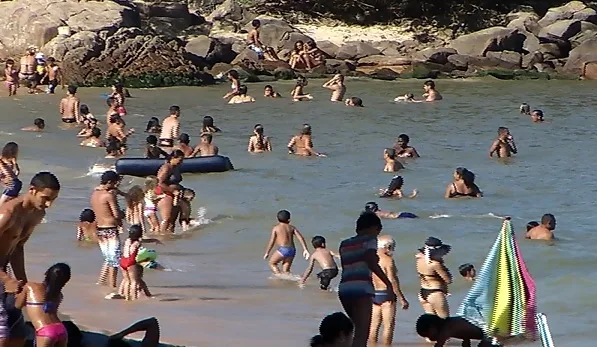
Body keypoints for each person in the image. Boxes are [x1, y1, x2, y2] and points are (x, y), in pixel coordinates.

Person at [0, 171, 61, 347]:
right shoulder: (8, 213)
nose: (49, 204)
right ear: (32, 190)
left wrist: (21, 280)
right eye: (46, 198)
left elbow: (18, 247)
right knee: (3, 332)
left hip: (4, 272)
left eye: (53, 200)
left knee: (18, 332)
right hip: (2, 276)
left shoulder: (37, 214)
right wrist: (6, 279)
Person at [338, 212, 395, 347]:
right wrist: (388, 284)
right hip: (361, 289)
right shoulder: (370, 240)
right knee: (362, 333)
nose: (377, 234)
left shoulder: (344, 244)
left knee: (356, 328)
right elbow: (371, 262)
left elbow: (350, 264)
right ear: (373, 227)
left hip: (344, 288)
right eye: (378, 230)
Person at [14, 263, 71, 347]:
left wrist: (16, 292)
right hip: (61, 330)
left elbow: (17, 305)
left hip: (45, 331)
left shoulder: (30, 287)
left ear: (46, 273)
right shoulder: (58, 295)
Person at [369, 235, 409, 346]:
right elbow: (392, 280)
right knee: (388, 325)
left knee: (374, 325)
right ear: (388, 247)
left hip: (374, 293)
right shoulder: (388, 260)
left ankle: (372, 345)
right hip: (386, 294)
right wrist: (402, 299)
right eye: (392, 247)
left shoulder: (372, 258)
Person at [91, 170, 123, 296]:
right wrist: (123, 214)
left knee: (108, 259)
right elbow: (116, 214)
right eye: (115, 183)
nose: (115, 186)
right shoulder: (108, 196)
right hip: (110, 229)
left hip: (100, 230)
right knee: (114, 261)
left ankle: (101, 282)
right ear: (109, 182)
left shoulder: (94, 194)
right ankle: (112, 288)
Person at [119, 225, 161, 301]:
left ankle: (127, 298)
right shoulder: (138, 242)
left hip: (123, 261)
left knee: (127, 281)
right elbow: (146, 241)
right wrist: (155, 240)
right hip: (130, 261)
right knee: (134, 281)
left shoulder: (127, 240)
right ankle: (134, 298)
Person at [263, 210, 310, 275]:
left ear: (277, 219)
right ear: (289, 219)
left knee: (272, 263)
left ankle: (279, 275)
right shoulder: (292, 227)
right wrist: (305, 249)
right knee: (286, 270)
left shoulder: (276, 228)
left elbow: (272, 241)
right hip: (292, 250)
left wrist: (267, 252)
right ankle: (287, 280)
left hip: (283, 250)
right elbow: (300, 238)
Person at [416, 237, 452, 318]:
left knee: (432, 323)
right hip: (435, 293)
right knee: (444, 321)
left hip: (423, 292)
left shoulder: (420, 260)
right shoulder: (435, 264)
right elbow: (448, 280)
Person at [416, 314, 495, 347]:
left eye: (428, 335)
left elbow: (438, 345)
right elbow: (465, 331)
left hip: (490, 332)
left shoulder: (445, 330)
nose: (429, 338)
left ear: (433, 327)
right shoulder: (451, 322)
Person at [156, 150, 185, 233]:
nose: (181, 162)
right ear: (173, 158)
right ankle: (161, 236)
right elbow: (159, 183)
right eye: (180, 160)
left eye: (182, 160)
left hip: (175, 195)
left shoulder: (175, 167)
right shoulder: (166, 168)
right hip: (165, 194)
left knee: (172, 221)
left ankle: (170, 240)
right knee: (166, 219)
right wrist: (172, 191)